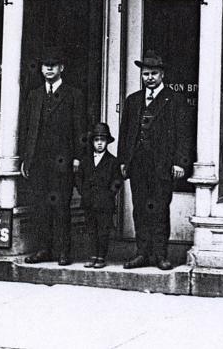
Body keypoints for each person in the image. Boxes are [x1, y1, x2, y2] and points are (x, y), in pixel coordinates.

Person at [119, 50, 192, 271]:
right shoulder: (133, 101)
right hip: (138, 163)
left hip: (162, 164)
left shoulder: (175, 100)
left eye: (153, 73)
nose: (149, 78)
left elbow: (184, 134)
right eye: (145, 74)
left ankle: (160, 254)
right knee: (140, 208)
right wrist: (123, 161)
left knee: (160, 208)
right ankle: (142, 253)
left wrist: (180, 162)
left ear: (162, 75)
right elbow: (125, 133)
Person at [18, 47, 85, 266]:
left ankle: (63, 251)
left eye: (53, 65)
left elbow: (80, 129)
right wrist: (25, 159)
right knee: (40, 206)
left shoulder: (73, 95)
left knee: (61, 206)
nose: (48, 69)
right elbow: (27, 128)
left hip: (62, 161)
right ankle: (43, 249)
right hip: (38, 161)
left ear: (61, 68)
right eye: (45, 66)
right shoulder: (35, 95)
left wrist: (77, 157)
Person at [76, 121, 124, 269]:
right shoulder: (85, 161)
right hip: (89, 200)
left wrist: (111, 193)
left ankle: (101, 256)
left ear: (107, 142)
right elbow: (78, 178)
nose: (99, 144)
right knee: (91, 229)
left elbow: (117, 180)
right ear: (92, 142)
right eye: (96, 140)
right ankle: (92, 256)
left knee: (103, 230)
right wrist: (83, 191)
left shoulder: (112, 161)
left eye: (102, 140)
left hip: (105, 202)